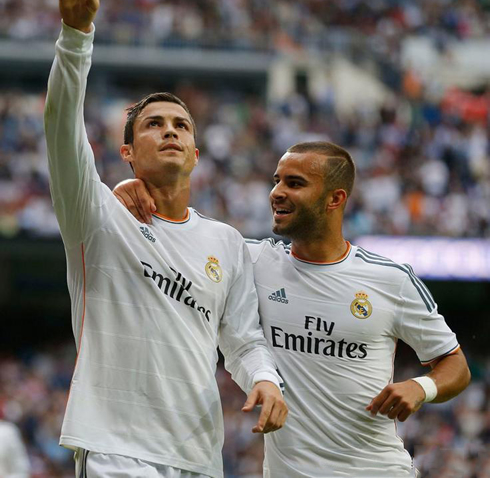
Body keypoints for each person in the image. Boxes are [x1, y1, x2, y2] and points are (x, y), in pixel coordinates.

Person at [44, 0, 287, 478]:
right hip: (115, 449)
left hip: (198, 456)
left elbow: (242, 339)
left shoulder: (225, 241)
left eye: (181, 124)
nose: (171, 130)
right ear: (127, 151)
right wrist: (76, 37)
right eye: (153, 124)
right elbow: (62, 130)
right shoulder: (97, 216)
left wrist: (265, 379)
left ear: (197, 153)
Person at [116, 141, 471, 477]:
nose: (277, 192)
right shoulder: (252, 260)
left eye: (295, 183)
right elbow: (183, 234)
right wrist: (129, 193)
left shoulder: (389, 280)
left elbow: (455, 364)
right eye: (277, 181)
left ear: (335, 198)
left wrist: (421, 387)